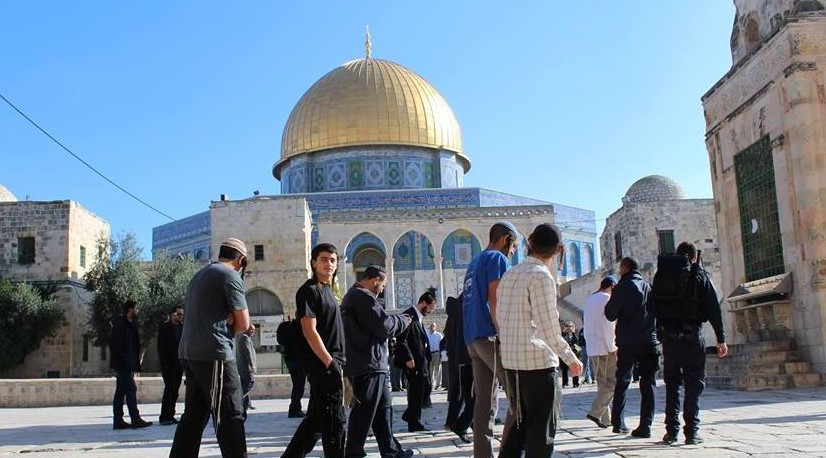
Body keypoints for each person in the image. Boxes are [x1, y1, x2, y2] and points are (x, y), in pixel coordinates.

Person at [498, 223, 583, 457]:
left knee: (517, 429)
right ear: (558, 250)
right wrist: (571, 358)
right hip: (537, 366)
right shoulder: (541, 276)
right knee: (540, 435)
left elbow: (500, 318)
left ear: (530, 242)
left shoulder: (509, 274)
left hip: (512, 365)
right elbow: (548, 328)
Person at [170, 237, 250, 457]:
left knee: (194, 417)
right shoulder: (230, 276)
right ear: (241, 260)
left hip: (190, 354)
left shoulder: (199, 275)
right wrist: (231, 325)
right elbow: (244, 323)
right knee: (231, 415)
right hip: (215, 355)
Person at [654, 242, 728, 445]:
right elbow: (713, 309)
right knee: (694, 384)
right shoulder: (700, 276)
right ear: (694, 257)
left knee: (672, 385)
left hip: (669, 338)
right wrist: (721, 338)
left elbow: (653, 306)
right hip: (692, 336)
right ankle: (691, 432)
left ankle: (671, 431)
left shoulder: (662, 276)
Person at [341, 265, 414, 458]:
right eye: (382, 285)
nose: (382, 290)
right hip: (367, 364)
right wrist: (403, 320)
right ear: (375, 280)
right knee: (364, 412)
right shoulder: (362, 297)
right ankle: (353, 452)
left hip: (371, 363)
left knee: (383, 410)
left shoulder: (354, 297)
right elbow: (384, 326)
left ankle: (391, 451)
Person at [282, 243, 346, 458]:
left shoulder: (328, 290)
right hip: (324, 365)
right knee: (334, 423)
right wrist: (330, 362)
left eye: (333, 260)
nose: (329, 264)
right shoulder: (309, 291)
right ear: (313, 262)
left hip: (332, 363)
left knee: (315, 424)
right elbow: (309, 331)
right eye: (324, 259)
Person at [462, 221, 519, 458]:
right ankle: (510, 451)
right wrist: (503, 334)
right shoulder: (497, 258)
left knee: (484, 402)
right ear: (505, 239)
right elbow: (495, 299)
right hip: (489, 336)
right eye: (513, 246)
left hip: (473, 338)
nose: (513, 252)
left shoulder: (474, 262)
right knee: (519, 396)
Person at [605, 256, 659, 439]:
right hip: (648, 340)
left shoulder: (622, 287)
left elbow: (610, 314)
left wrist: (614, 296)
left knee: (623, 380)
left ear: (625, 268)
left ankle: (618, 422)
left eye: (621, 268)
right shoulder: (648, 287)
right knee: (649, 382)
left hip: (628, 341)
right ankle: (646, 425)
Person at [394, 291, 437, 432]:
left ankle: (409, 415)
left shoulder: (419, 317)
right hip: (413, 361)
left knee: (426, 387)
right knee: (416, 392)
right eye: (430, 308)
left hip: (421, 360)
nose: (431, 311)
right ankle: (414, 422)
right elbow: (401, 339)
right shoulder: (408, 315)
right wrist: (408, 357)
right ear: (423, 303)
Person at [111, 299, 152, 430]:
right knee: (131, 389)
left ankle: (118, 420)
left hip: (126, 363)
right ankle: (135, 419)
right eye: (136, 309)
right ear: (130, 310)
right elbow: (117, 345)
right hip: (123, 364)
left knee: (120, 392)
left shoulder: (130, 325)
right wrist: (124, 361)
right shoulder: (121, 325)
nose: (137, 311)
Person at [583, 276, 618, 429]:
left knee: (602, 384)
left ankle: (605, 419)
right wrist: (612, 347)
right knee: (612, 383)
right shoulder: (607, 299)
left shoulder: (589, 300)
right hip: (605, 347)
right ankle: (596, 413)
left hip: (592, 348)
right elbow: (608, 325)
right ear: (612, 286)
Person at [443, 294, 474, 444]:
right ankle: (461, 424)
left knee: (462, 392)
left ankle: (456, 421)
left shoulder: (453, 315)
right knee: (469, 394)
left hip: (457, 358)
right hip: (466, 357)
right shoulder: (463, 311)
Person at [157, 305, 184, 426]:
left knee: (175, 391)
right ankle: (164, 416)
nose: (181, 316)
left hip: (179, 365)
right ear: (172, 315)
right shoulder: (164, 328)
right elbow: (161, 348)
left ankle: (171, 415)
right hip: (169, 365)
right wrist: (165, 364)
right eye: (179, 314)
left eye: (182, 314)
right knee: (169, 390)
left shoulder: (182, 328)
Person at [277, 317, 307, 418]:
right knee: (299, 385)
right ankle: (295, 409)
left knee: (297, 385)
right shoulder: (299, 328)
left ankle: (295, 408)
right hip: (298, 359)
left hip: (289, 358)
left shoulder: (286, 327)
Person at [235, 323, 257, 416]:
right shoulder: (245, 338)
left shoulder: (240, 337)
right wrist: (252, 365)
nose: (252, 331)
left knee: (244, 384)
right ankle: (237, 400)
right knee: (250, 383)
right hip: (246, 367)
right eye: (250, 329)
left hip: (241, 366)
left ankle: (247, 403)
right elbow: (248, 353)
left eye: (253, 330)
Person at [560, 322, 581, 388]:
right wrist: (563, 332)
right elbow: (559, 340)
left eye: (570, 326)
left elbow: (577, 342)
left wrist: (573, 333)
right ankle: (565, 383)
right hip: (564, 353)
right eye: (567, 326)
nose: (568, 328)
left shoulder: (575, 334)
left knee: (575, 368)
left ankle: (575, 383)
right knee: (564, 369)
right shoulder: (562, 335)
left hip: (573, 353)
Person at [427, 323, 443, 390]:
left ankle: (438, 384)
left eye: (433, 326)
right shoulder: (427, 335)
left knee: (438, 369)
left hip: (437, 353)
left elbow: (442, 345)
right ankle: (431, 384)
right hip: (429, 353)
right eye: (431, 326)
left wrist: (441, 354)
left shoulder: (439, 335)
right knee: (430, 370)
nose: (432, 327)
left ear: (435, 327)